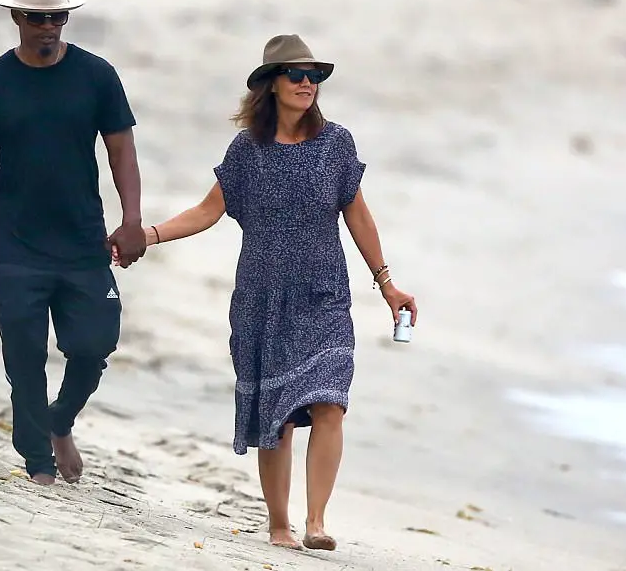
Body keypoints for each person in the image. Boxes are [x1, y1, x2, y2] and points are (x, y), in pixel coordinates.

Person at [116, 35, 417, 550]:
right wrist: (149, 235)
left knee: (330, 402)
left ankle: (316, 521)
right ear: (271, 84)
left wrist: (387, 284)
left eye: (314, 76)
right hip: (262, 298)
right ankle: (279, 525)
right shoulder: (247, 152)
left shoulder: (336, 144)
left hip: (325, 295)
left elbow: (358, 214)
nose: (307, 84)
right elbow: (209, 210)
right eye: (296, 75)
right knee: (273, 415)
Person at [0, 0, 146, 486]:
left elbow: (121, 149)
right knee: (25, 357)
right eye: (37, 17)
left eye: (57, 17)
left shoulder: (96, 76)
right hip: (17, 244)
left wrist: (131, 219)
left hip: (84, 240)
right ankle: (38, 463)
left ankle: (59, 421)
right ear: (16, 17)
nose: (48, 26)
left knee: (93, 345)